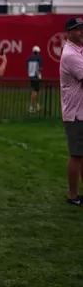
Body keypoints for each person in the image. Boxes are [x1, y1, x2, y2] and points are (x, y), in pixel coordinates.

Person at [59, 17, 83, 205]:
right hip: (75, 113)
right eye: (78, 29)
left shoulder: (78, 50)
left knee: (80, 155)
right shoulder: (71, 54)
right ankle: (72, 196)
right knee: (76, 155)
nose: (81, 31)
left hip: (79, 111)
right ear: (69, 32)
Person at [27, 46, 44, 114]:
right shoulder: (39, 58)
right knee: (35, 92)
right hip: (36, 77)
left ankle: (37, 105)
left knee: (36, 91)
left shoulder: (29, 58)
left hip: (31, 76)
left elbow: (27, 68)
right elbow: (40, 68)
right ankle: (31, 107)